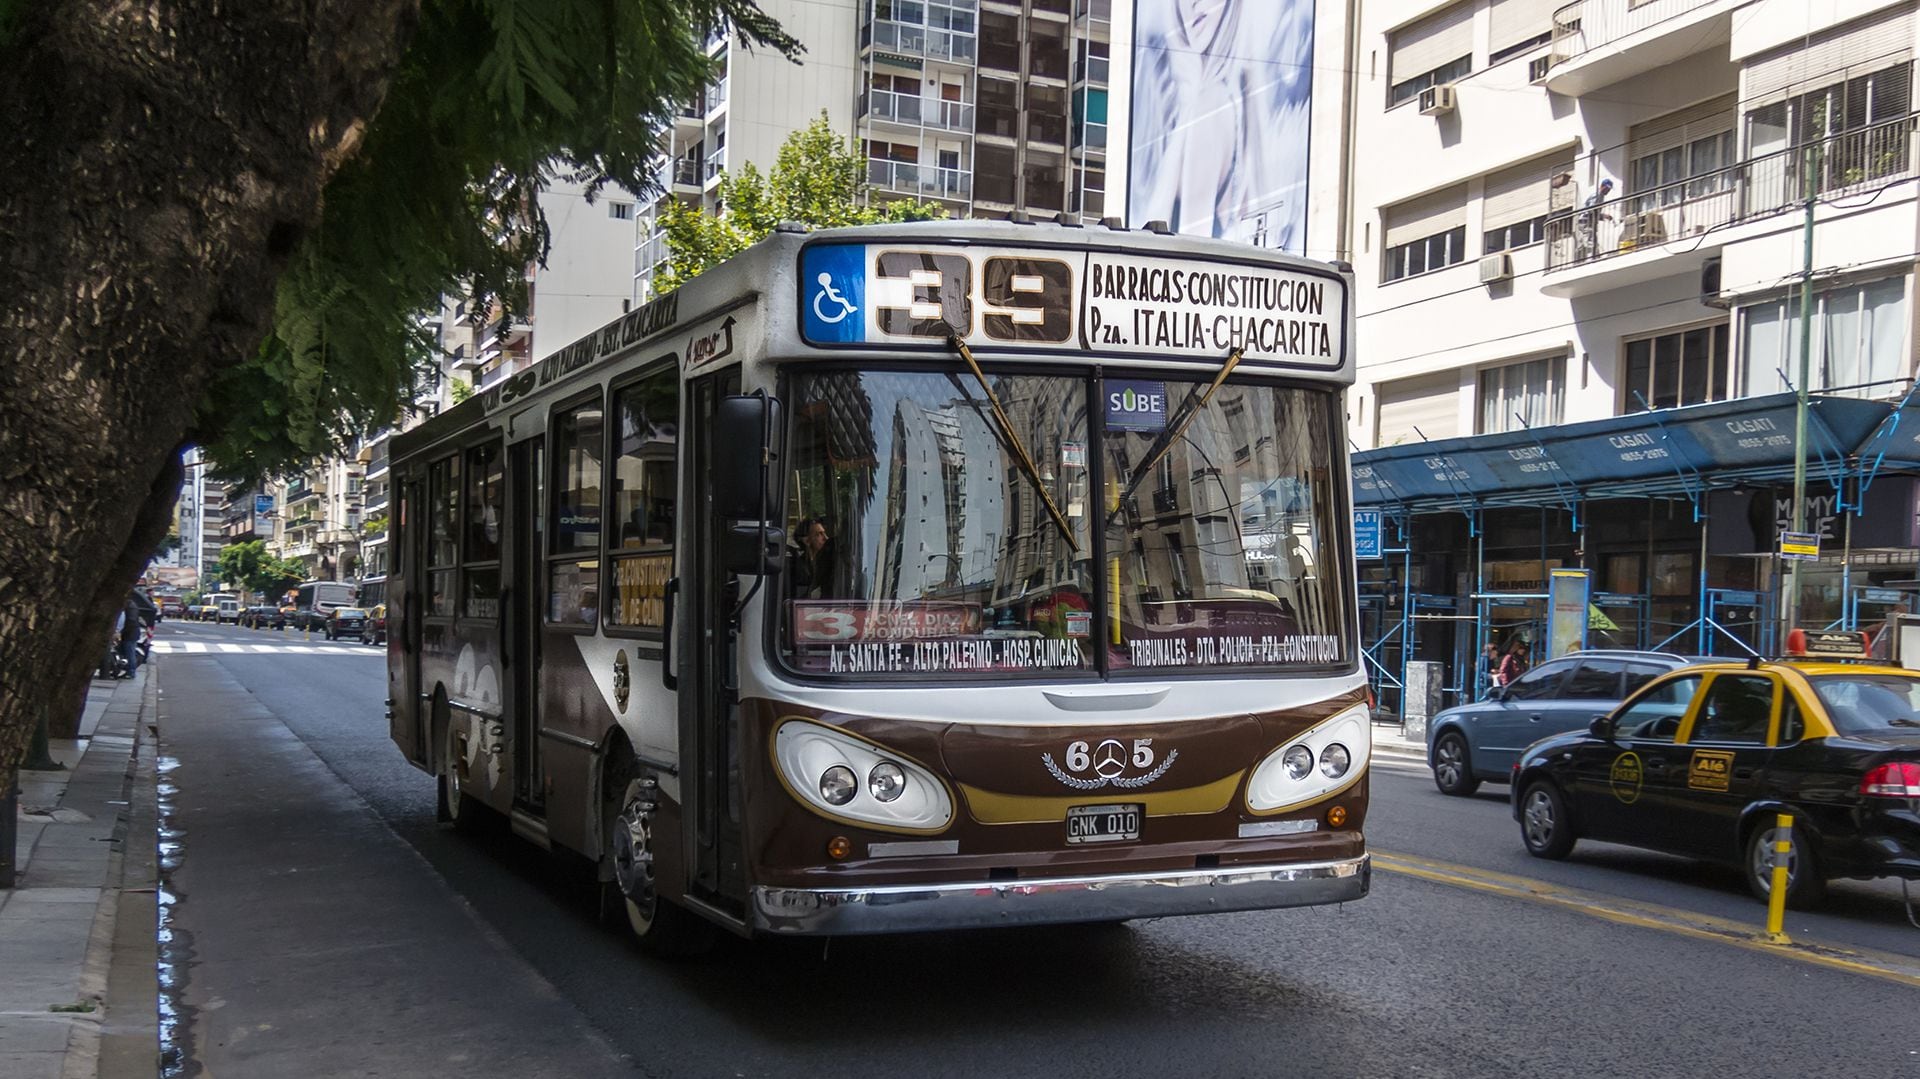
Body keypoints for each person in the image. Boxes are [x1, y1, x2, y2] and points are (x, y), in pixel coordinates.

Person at [790, 517, 839, 600]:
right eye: (819, 534)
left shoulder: (828, 563)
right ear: (807, 540)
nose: (826, 538)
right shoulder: (798, 567)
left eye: (824, 533)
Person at [1575, 178, 1614, 261]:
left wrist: (1603, 216)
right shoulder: (1597, 194)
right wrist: (1603, 215)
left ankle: (1578, 259)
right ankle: (1594, 258)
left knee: (1586, 240)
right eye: (1607, 188)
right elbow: (1591, 209)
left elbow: (1594, 212)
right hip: (1586, 220)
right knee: (1591, 240)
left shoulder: (1601, 196)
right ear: (1602, 186)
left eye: (1609, 189)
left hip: (1588, 221)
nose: (1608, 191)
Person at [118, 596, 145, 679]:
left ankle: (131, 672)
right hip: (132, 632)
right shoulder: (132, 606)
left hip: (129, 633)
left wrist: (121, 631)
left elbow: (129, 622)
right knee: (129, 652)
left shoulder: (128, 607)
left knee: (130, 653)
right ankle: (129, 671)